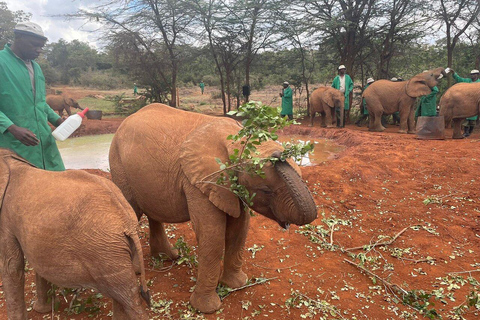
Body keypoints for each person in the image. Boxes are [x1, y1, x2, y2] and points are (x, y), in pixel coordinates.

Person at [0, 22, 65, 171]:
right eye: (35, 45)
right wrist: (12, 128)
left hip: (43, 142)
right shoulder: (1, 62)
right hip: (14, 145)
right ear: (18, 37)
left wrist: (57, 120)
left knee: (55, 185)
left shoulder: (36, 67)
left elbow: (40, 103)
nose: (39, 50)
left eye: (41, 46)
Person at [450, 69, 480, 136]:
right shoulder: (468, 81)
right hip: (467, 102)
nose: (472, 76)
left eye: (474, 74)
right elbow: (459, 79)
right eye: (471, 74)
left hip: (475, 103)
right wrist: (454, 73)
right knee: (466, 119)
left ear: (477, 75)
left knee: (472, 121)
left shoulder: (479, 83)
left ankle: (469, 132)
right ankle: (465, 132)